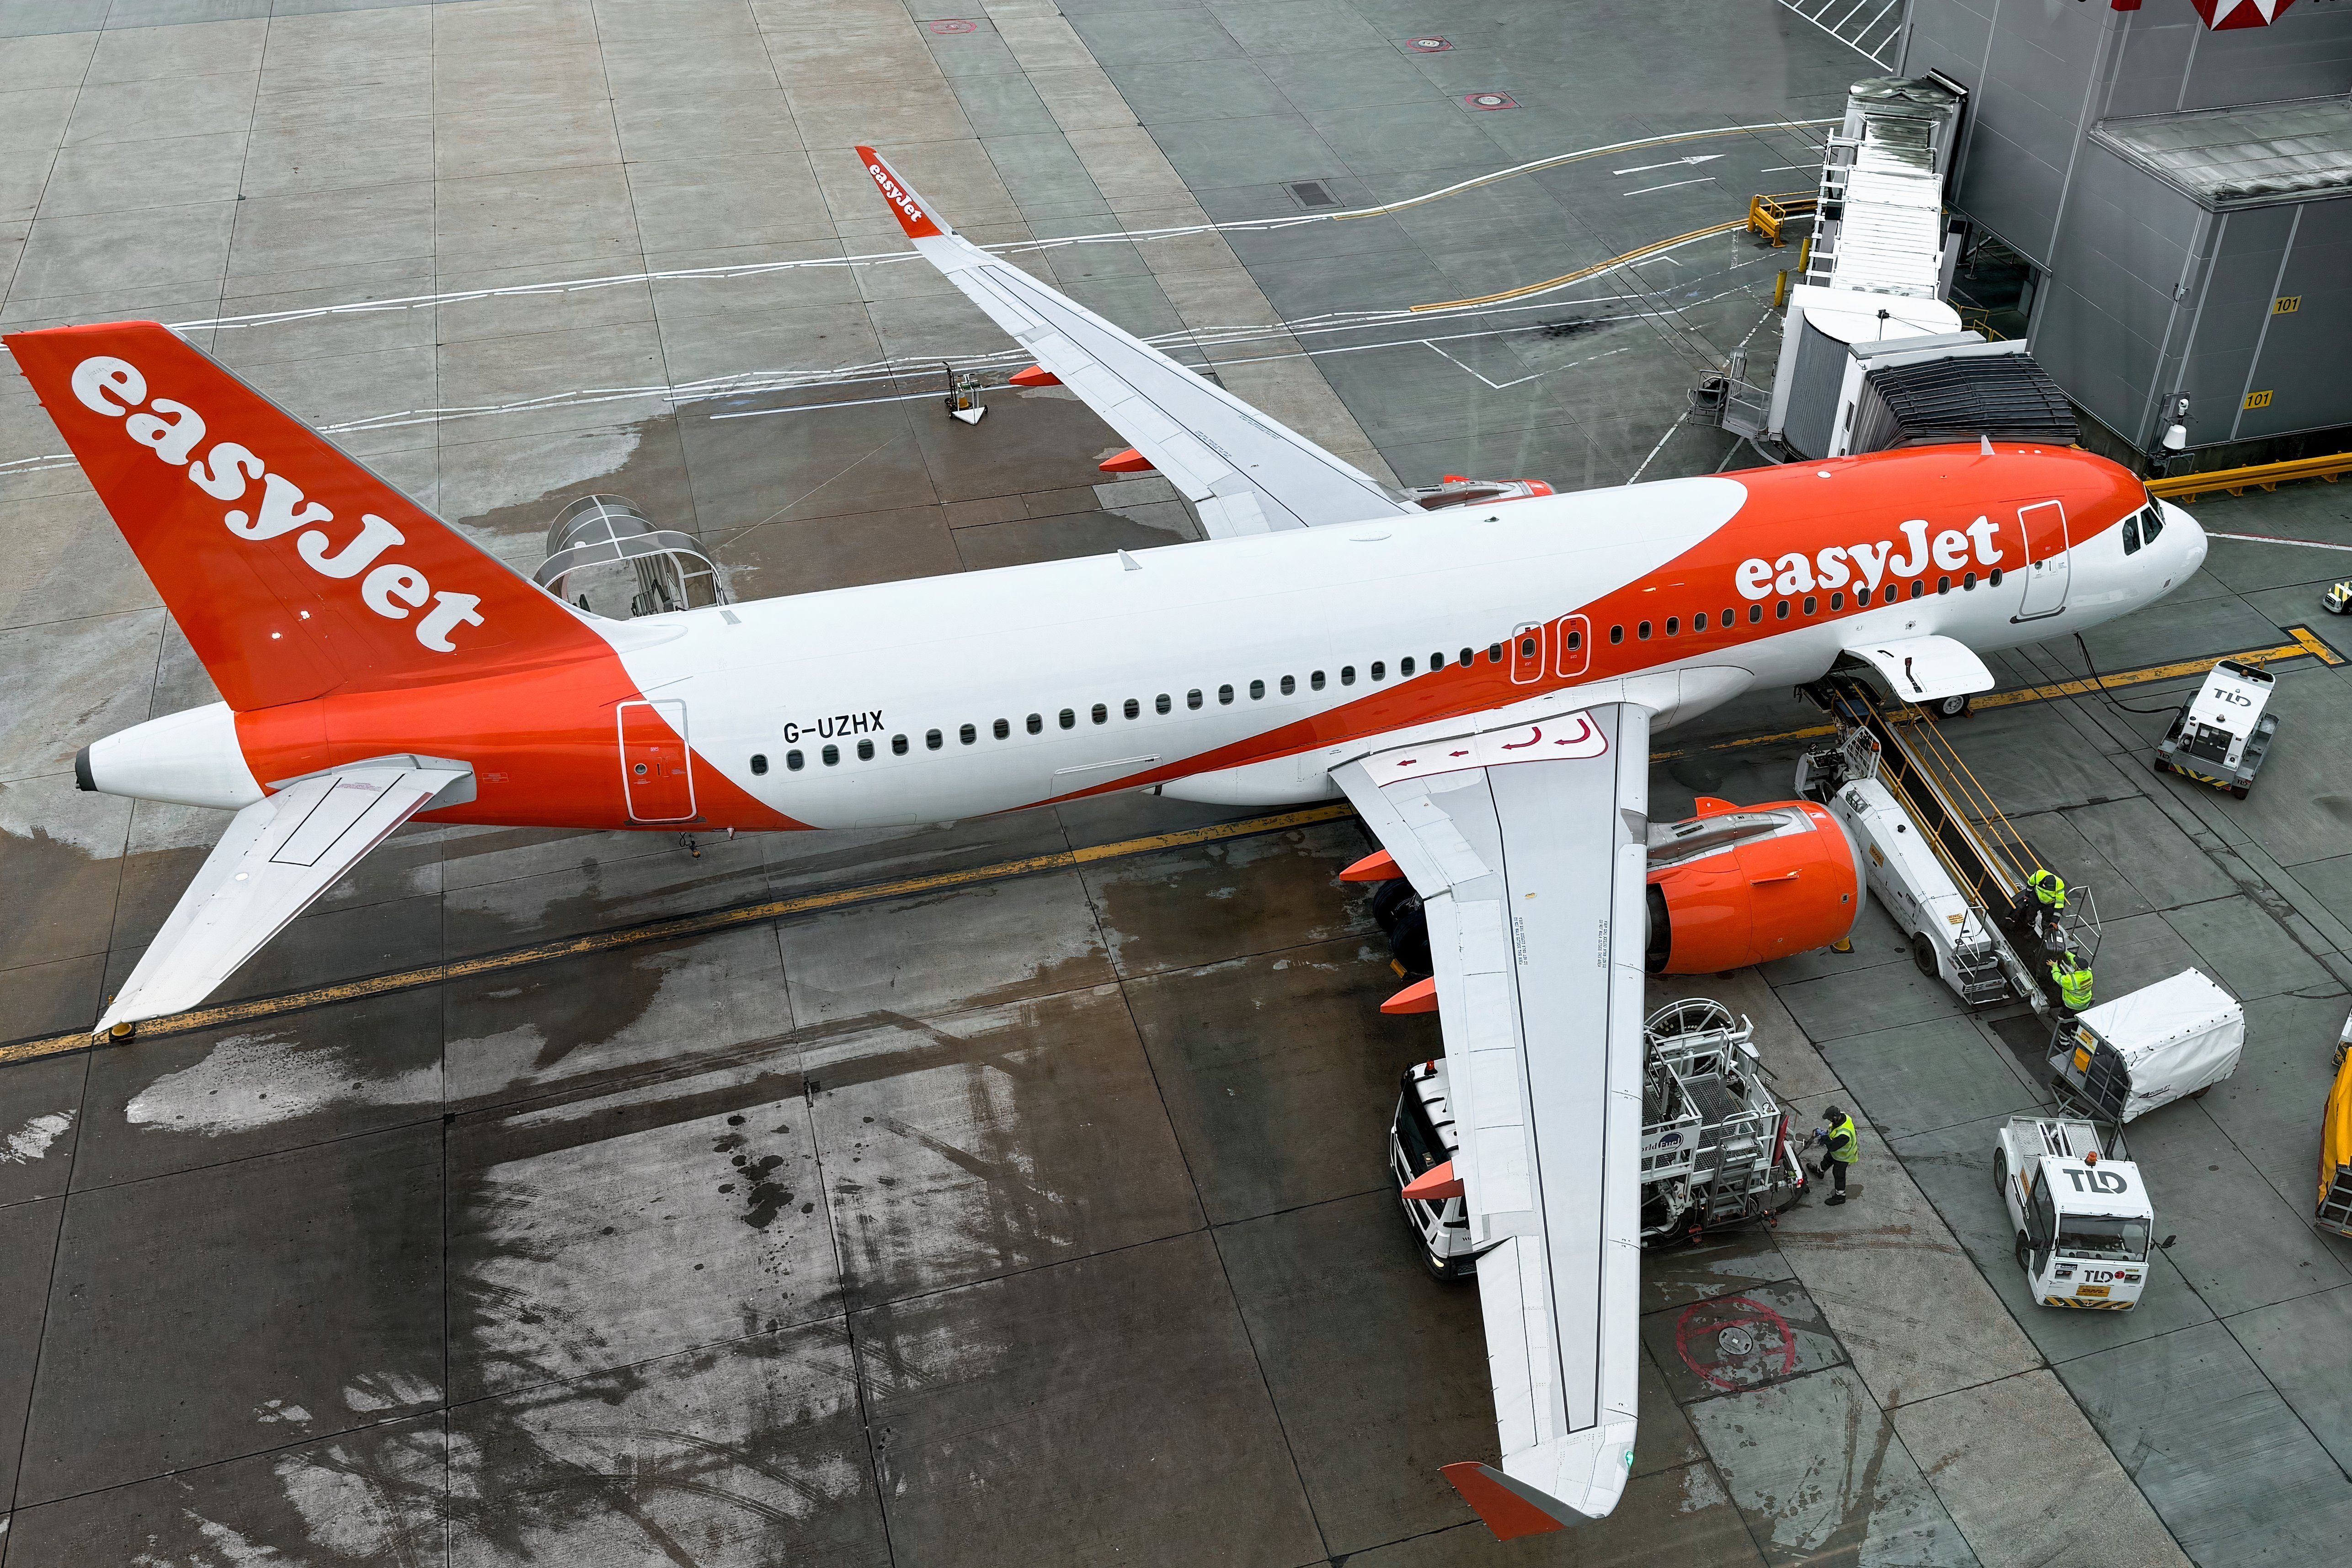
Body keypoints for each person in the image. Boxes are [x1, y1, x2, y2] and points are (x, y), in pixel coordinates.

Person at [1812, 1107, 1859, 1206]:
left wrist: (1824, 1136)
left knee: (1839, 1175)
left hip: (1844, 1156)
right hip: (1837, 1152)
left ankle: (1840, 1197)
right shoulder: (1843, 1116)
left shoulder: (1845, 1134)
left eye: (1830, 1119)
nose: (1829, 1121)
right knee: (1827, 1160)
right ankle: (1819, 1172)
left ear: (1835, 1117)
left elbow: (1833, 1147)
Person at [2050, 949, 2094, 1016]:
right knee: (2078, 1018)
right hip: (2085, 1002)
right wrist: (2067, 953)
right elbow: (2074, 962)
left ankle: (2064, 1023)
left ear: (2078, 968)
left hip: (2072, 1005)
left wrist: (2055, 967)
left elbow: (2058, 978)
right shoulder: (2089, 973)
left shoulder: (2071, 981)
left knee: (2066, 1018)